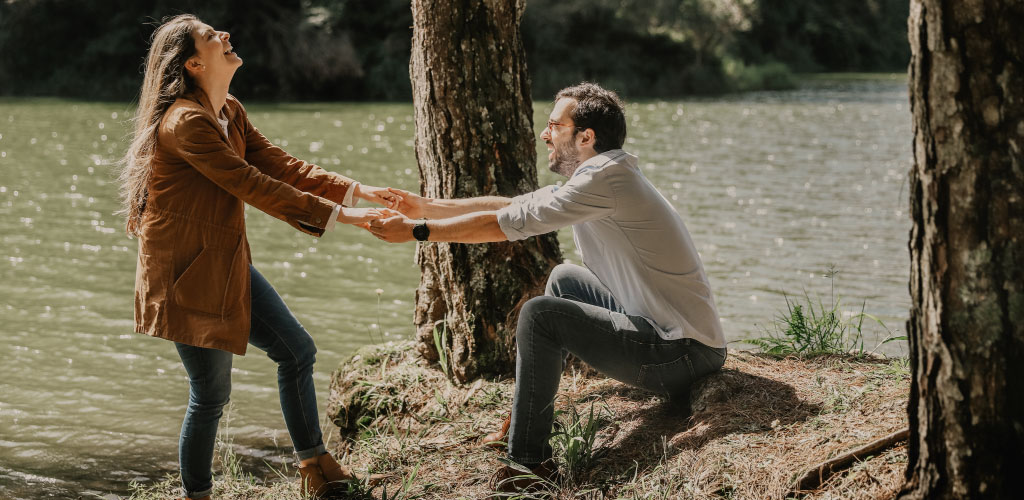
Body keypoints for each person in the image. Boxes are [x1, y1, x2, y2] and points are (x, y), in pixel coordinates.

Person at [365, 82, 727, 494]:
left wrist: (418, 231)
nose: (545, 134)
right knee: (563, 278)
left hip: (683, 354)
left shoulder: (603, 181)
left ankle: (527, 466)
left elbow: (503, 226)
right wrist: (427, 207)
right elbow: (510, 206)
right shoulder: (602, 173)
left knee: (540, 315)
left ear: (585, 137)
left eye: (555, 125)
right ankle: (530, 418)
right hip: (672, 334)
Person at [117, 14, 397, 500]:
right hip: (184, 276)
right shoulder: (186, 123)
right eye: (210, 37)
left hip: (222, 264)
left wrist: (357, 190)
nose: (224, 34)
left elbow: (279, 164)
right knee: (210, 396)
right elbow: (249, 184)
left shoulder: (228, 110)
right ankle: (197, 495)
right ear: (192, 64)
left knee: (296, 351)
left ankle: (313, 463)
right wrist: (342, 217)